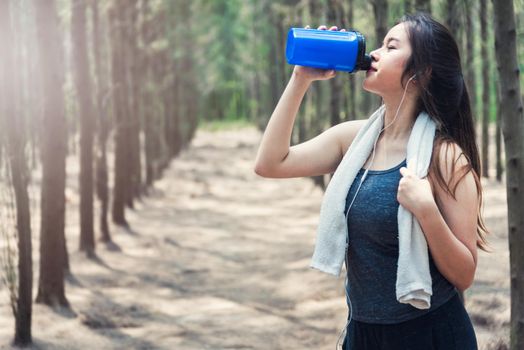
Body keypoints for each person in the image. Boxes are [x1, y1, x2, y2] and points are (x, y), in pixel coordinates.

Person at [254, 12, 490, 350]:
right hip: (363, 332)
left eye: (390, 47)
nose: (375, 53)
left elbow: (464, 274)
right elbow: (270, 163)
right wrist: (300, 79)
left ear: (421, 74)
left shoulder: (445, 157)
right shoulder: (353, 140)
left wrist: (426, 211)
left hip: (429, 334)